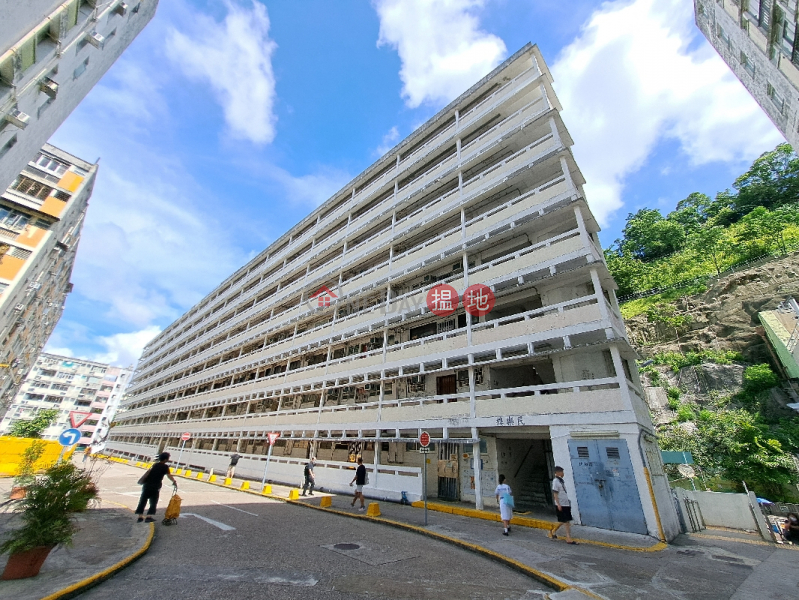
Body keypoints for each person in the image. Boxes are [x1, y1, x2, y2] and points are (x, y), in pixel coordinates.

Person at [135, 452, 177, 523]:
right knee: (153, 501)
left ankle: (140, 516)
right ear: (166, 459)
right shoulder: (165, 467)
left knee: (143, 500)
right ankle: (149, 516)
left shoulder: (155, 465)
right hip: (156, 486)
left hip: (147, 485)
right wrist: (174, 481)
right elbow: (169, 475)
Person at [549, 466, 577, 544]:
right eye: (562, 472)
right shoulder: (555, 481)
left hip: (565, 503)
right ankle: (568, 538)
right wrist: (558, 504)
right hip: (561, 504)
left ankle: (553, 530)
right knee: (566, 521)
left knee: (563, 520)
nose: (563, 473)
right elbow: (555, 493)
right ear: (558, 473)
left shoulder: (561, 481)